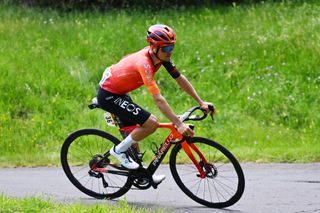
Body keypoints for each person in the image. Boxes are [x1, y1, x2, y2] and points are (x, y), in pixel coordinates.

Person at [97, 24, 212, 184]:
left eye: (172, 47)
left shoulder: (159, 57)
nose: (170, 51)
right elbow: (158, 99)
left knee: (135, 130)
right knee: (151, 124)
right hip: (109, 95)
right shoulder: (145, 64)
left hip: (119, 91)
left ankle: (141, 173)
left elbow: (179, 78)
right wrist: (178, 123)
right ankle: (118, 151)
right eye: (166, 48)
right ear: (153, 47)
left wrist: (201, 102)